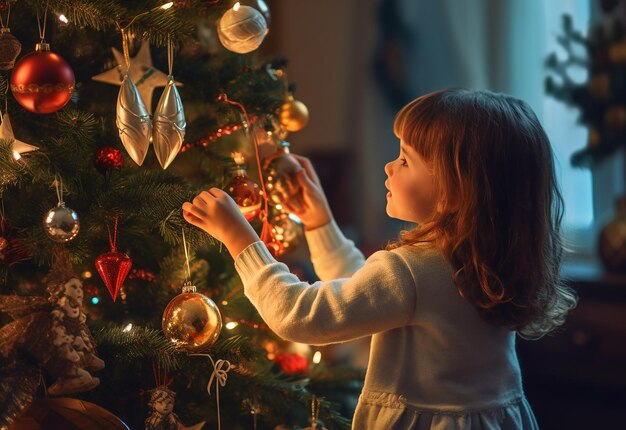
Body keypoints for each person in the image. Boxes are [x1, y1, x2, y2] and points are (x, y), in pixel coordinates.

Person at [182, 88, 578, 429]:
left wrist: (241, 241)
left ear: (458, 189)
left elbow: (301, 315)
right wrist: (321, 224)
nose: (389, 166)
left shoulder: (414, 268)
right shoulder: (484, 256)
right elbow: (372, 295)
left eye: (405, 160)